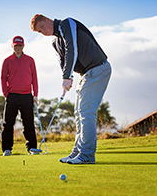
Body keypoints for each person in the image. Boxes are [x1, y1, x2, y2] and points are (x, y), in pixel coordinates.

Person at [30, 15, 112, 164]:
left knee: (86, 112)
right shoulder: (55, 43)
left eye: (42, 27)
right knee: (78, 113)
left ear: (47, 19)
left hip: (98, 68)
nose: (44, 32)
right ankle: (77, 152)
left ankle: (86, 154)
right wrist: (66, 79)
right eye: (40, 32)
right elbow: (62, 61)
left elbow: (71, 48)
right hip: (85, 74)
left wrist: (67, 75)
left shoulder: (66, 24)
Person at [1, 35, 39, 156]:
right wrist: (6, 94)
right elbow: (3, 78)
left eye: (20, 45)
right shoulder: (7, 61)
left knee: (28, 123)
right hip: (12, 96)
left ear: (23, 46)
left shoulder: (30, 60)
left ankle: (32, 148)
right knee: (8, 123)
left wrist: (35, 94)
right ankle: (7, 149)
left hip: (27, 96)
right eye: (16, 45)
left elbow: (34, 78)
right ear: (12, 46)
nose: (18, 47)